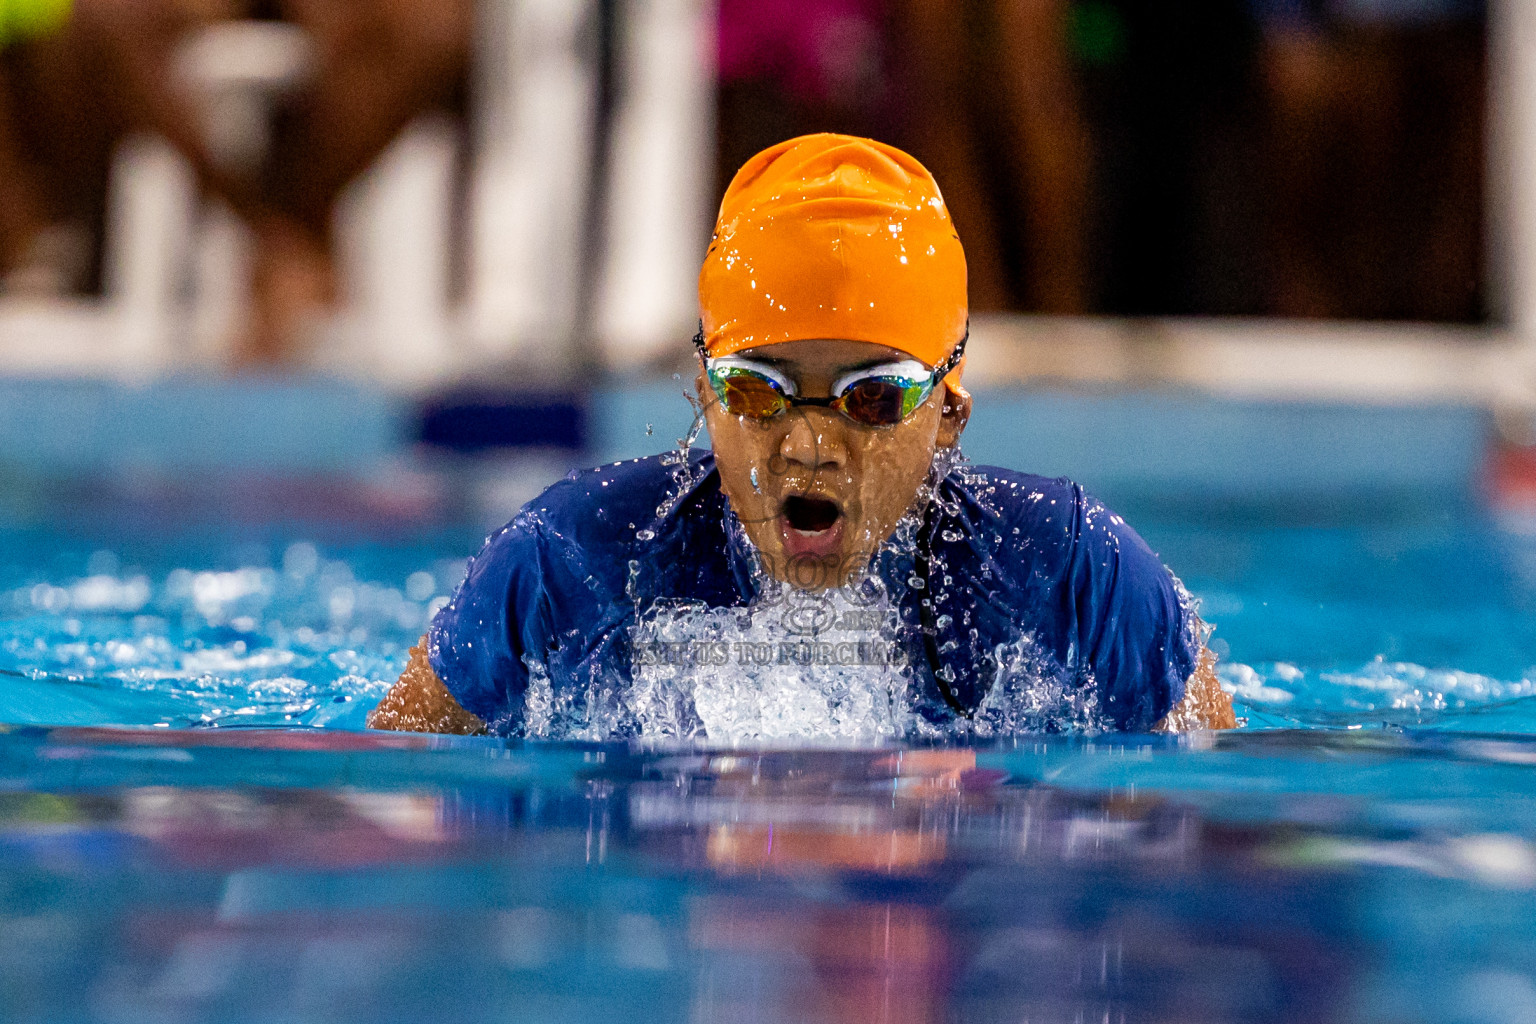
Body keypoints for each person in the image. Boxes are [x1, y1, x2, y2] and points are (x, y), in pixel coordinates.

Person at [369, 133, 1235, 739]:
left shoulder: (1074, 576)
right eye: (757, 389)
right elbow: (393, 786)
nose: (810, 445)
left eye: (872, 397)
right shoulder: (569, 561)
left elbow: (1210, 811)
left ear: (948, 417)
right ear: (703, 398)